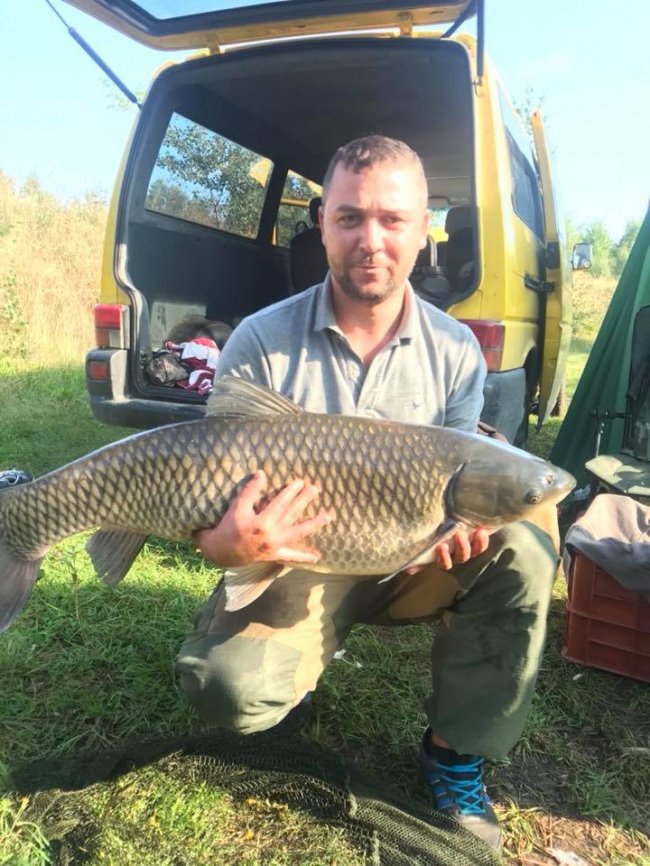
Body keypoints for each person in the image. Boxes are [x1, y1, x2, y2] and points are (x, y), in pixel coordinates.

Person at [174, 136, 559, 850]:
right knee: (227, 687)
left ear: (422, 231)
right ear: (322, 224)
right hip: (292, 561)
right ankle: (296, 682)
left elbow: (466, 476)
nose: (370, 240)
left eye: (391, 219)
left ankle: (455, 752)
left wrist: (463, 532)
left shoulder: (454, 351)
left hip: (412, 562)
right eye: (350, 218)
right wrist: (223, 545)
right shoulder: (260, 341)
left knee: (528, 545)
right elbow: (205, 488)